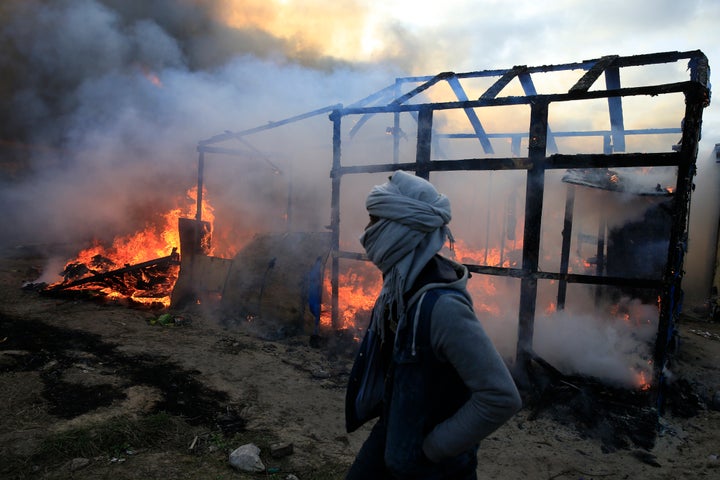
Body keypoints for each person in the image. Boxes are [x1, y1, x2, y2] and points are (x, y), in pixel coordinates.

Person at [345, 170, 522, 480]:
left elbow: (500, 397)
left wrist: (432, 450)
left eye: (375, 222)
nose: (367, 232)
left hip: (432, 469)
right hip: (393, 437)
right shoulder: (399, 287)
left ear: (402, 230)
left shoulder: (443, 308)